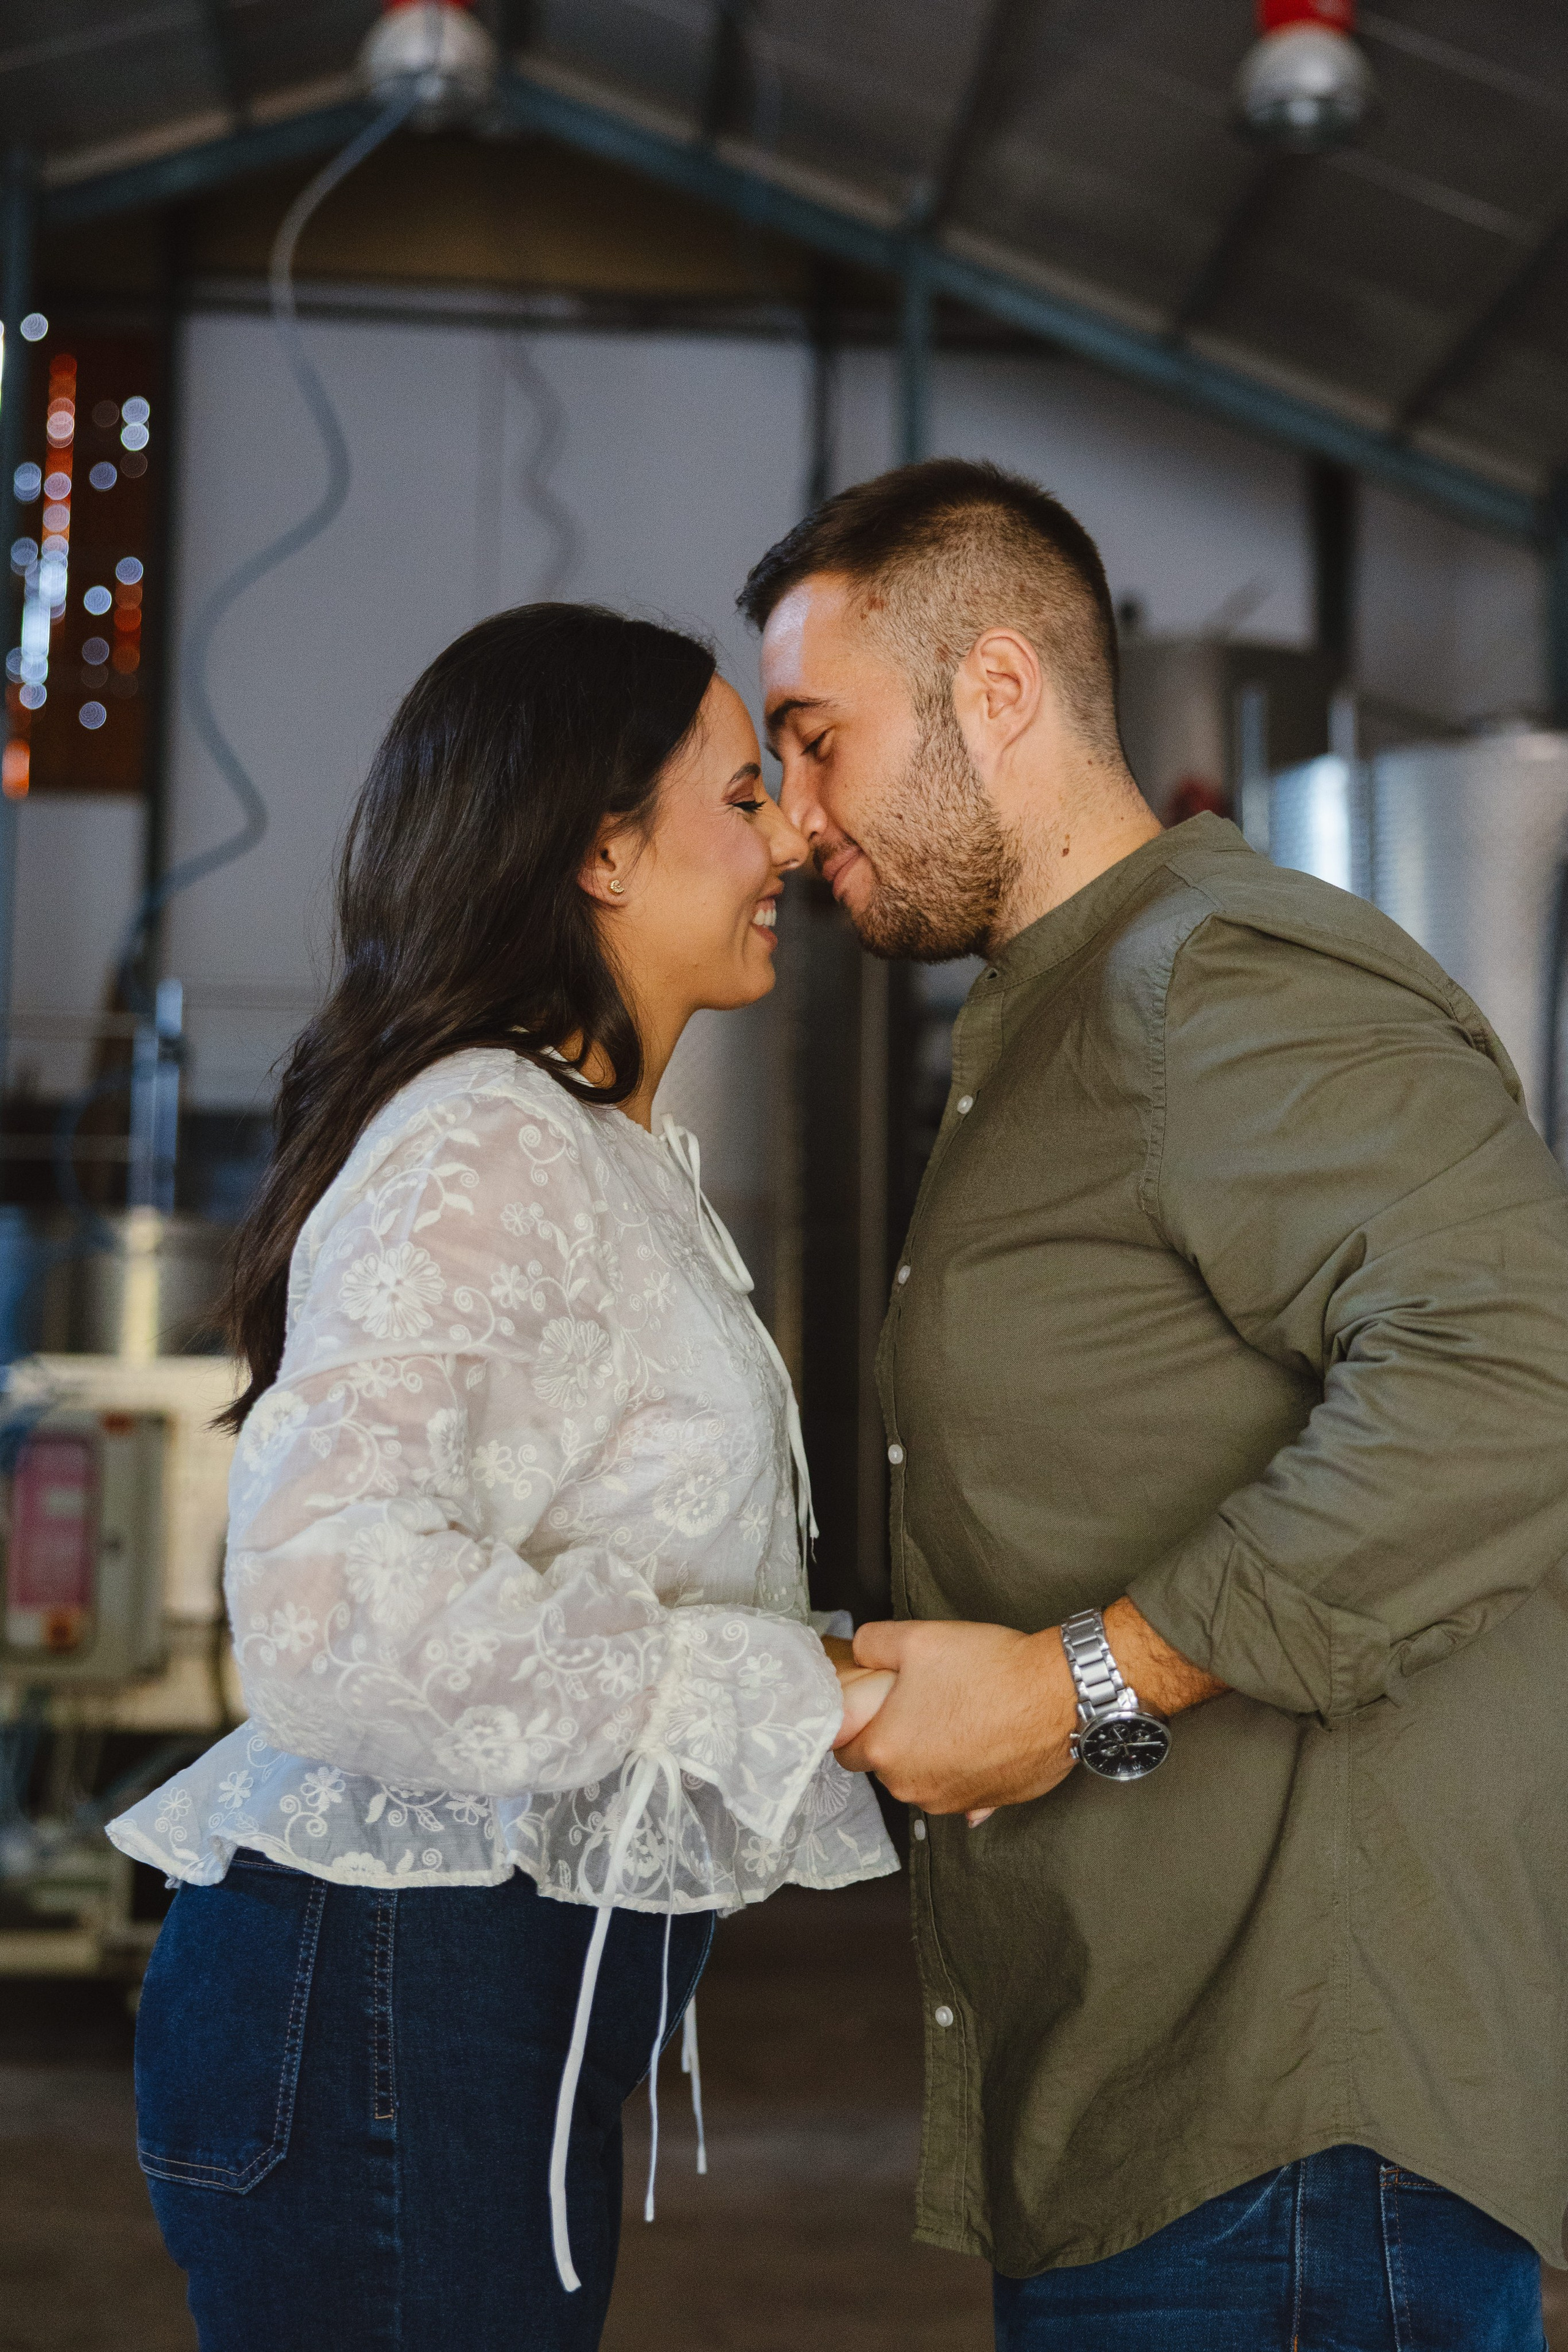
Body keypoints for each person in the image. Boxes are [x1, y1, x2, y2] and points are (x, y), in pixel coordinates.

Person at [741, 458, 1568, 2352]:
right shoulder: (1052, 1010)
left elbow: (1518, 1365)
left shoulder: (1211, 980)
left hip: (1295, 2133)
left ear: (1000, 695)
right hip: (1169, 2100)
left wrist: (1074, 1683)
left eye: (817, 741)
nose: (794, 821)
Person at [109, 604, 897, 2352]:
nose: (792, 840)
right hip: (390, 1991)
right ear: (602, 849)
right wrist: (787, 1692)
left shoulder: (597, 1150)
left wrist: (860, 1680)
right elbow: (328, 1599)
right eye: (746, 792)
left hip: (463, 1990)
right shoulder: (488, 1136)